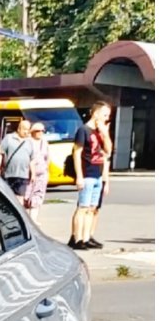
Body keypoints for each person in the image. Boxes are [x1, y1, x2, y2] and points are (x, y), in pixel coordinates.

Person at [70, 101, 112, 250]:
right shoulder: (83, 130)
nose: (107, 118)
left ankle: (86, 237)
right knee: (83, 207)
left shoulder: (100, 132)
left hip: (98, 174)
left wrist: (105, 134)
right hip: (87, 173)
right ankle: (77, 238)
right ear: (96, 114)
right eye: (105, 115)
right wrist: (79, 176)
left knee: (92, 208)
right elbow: (77, 153)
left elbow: (108, 152)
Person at [0, 118, 34, 202]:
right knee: (7, 197)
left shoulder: (29, 142)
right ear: (19, 129)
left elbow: (32, 159)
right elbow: (0, 153)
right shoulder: (9, 138)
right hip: (9, 174)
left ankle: (18, 210)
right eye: (24, 129)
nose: (26, 132)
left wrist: (33, 173)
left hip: (23, 175)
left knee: (20, 198)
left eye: (28, 129)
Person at [23, 120, 50, 225]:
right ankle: (24, 220)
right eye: (37, 131)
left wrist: (46, 169)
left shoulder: (44, 142)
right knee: (26, 195)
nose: (40, 133)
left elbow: (48, 157)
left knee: (38, 195)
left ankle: (33, 220)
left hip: (42, 173)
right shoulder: (27, 142)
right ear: (32, 132)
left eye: (42, 131)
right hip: (28, 173)